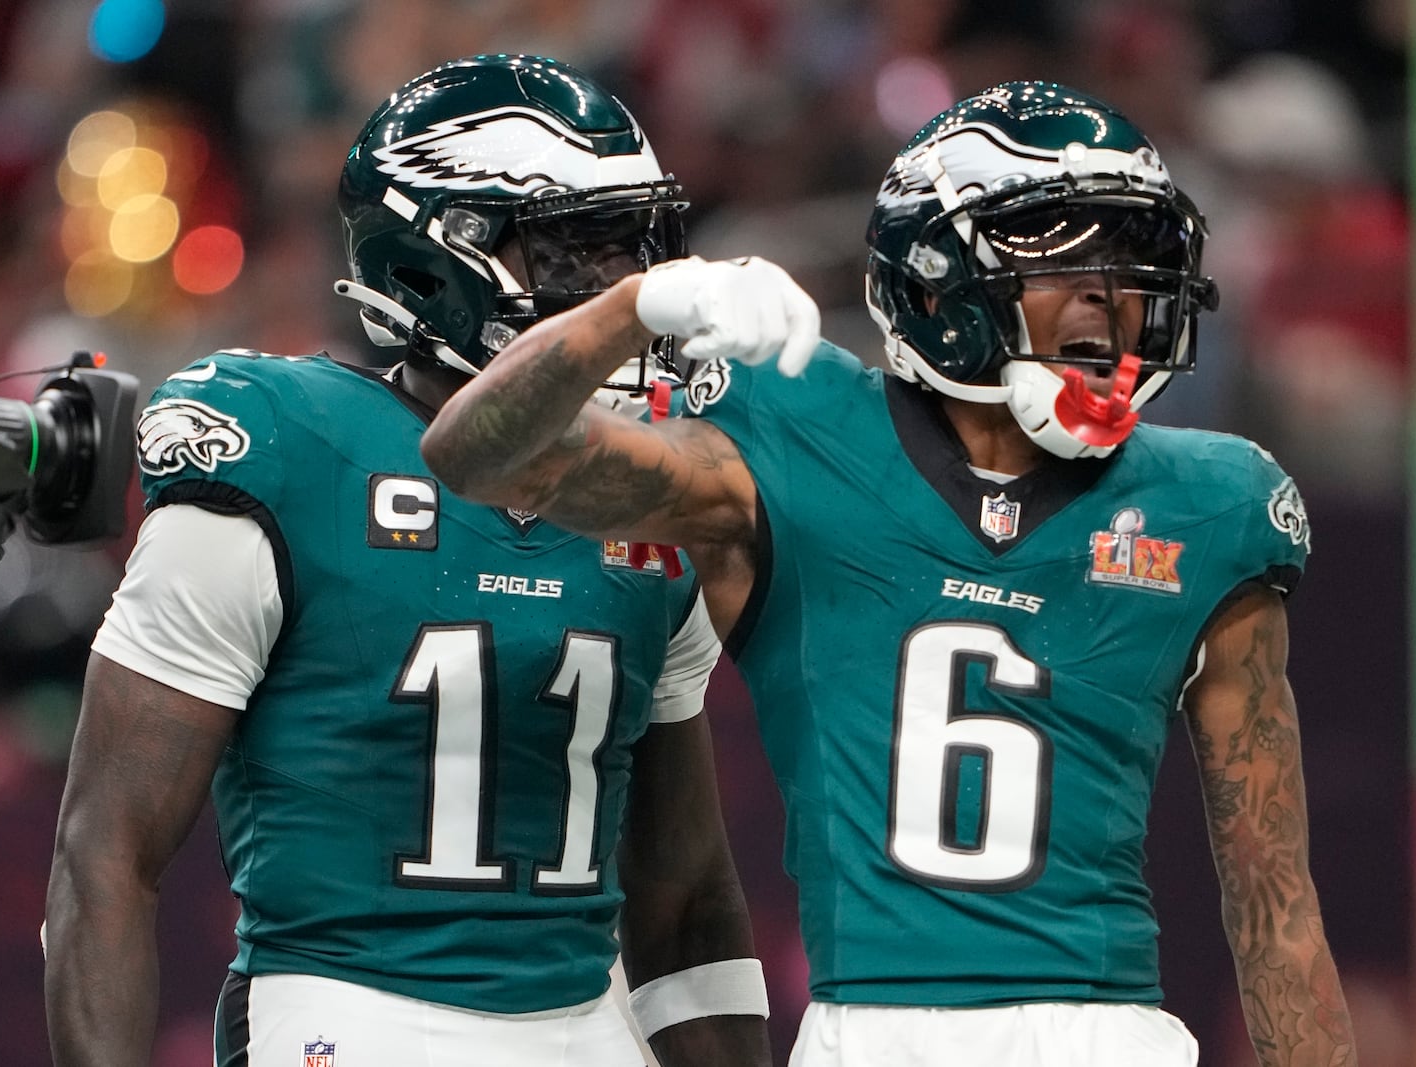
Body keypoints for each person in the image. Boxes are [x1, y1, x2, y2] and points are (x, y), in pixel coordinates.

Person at [421, 82, 1360, 1066]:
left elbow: (1274, 899)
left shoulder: (1210, 500)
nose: (1110, 292)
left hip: (1104, 1031)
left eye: (1128, 257)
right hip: (871, 1031)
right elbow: (477, 456)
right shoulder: (798, 435)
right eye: (1064, 254)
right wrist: (635, 305)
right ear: (934, 276)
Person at [44, 54, 772, 1067]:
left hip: (583, 1021)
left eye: (632, 247)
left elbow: (687, 897)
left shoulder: (654, 492)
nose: (622, 292)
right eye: (577, 252)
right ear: (433, 268)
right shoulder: (292, 449)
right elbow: (106, 856)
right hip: (351, 1014)